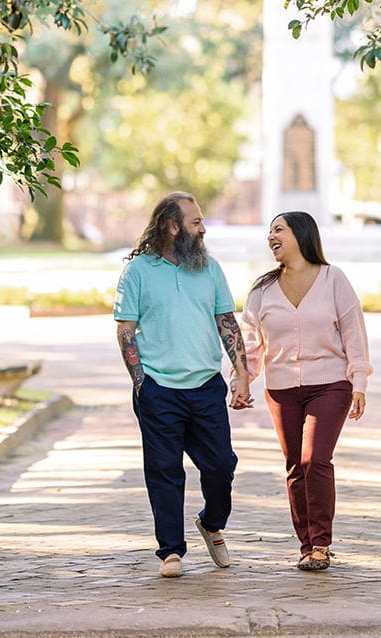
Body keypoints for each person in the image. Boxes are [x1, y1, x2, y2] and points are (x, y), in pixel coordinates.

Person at [114, 191, 253, 578]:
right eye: (196, 222)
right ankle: (171, 551)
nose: (203, 228)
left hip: (206, 386)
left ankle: (211, 522)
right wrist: (142, 384)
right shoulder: (137, 271)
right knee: (164, 469)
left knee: (222, 465)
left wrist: (241, 372)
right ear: (173, 227)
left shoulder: (210, 269)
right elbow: (126, 331)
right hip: (159, 388)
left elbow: (227, 321)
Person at [238, 211, 371, 571]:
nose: (271, 237)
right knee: (296, 467)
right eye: (269, 232)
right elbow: (251, 343)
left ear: (301, 235)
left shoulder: (333, 279)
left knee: (316, 459)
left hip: (330, 384)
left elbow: (354, 334)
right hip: (281, 389)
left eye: (278, 229)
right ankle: (307, 544)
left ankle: (322, 543)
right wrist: (242, 381)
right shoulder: (262, 289)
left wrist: (359, 382)